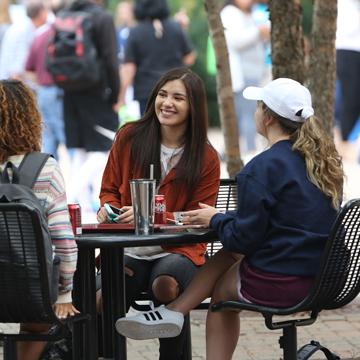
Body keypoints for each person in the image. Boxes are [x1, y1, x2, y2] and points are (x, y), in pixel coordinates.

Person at [115, 78, 344, 360]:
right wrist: (222, 218)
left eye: (258, 107)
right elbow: (286, 218)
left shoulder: (261, 167)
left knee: (223, 294)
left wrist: (214, 220)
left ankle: (178, 316)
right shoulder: (319, 162)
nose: (255, 113)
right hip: (327, 277)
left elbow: (243, 239)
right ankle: (173, 313)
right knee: (232, 254)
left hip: (287, 280)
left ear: (268, 117)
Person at [97, 67, 220, 359]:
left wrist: (150, 216)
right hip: (129, 248)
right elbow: (108, 191)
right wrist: (109, 210)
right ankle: (106, 354)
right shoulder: (129, 137)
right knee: (103, 297)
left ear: (193, 107)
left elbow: (198, 217)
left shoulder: (205, 156)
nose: (167, 103)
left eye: (178, 98)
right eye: (163, 95)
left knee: (166, 285)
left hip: (179, 250)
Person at [0, 79, 79, 360]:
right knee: (43, 309)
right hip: (29, 294)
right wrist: (65, 294)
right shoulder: (44, 168)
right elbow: (65, 245)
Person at [63, 0, 120, 218]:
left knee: (79, 148)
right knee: (103, 148)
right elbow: (111, 59)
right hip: (96, 91)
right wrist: (115, 94)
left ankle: (82, 207)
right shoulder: (101, 17)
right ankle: (68, 198)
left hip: (69, 90)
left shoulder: (66, 15)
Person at [119, 0, 196, 115]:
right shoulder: (176, 28)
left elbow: (129, 69)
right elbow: (189, 58)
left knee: (150, 131)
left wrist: (121, 96)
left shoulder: (135, 32)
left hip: (147, 93)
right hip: (175, 89)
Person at [221, 0, 270, 154]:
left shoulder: (249, 12)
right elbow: (235, 40)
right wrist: (258, 33)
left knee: (244, 114)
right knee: (248, 115)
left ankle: (235, 151)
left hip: (253, 72)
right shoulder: (230, 12)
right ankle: (250, 150)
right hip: (242, 74)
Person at [25, 0, 66, 160]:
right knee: (66, 135)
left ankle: (49, 176)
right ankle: (74, 178)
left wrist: (41, 79)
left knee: (48, 137)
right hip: (61, 89)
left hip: (44, 91)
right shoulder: (64, 33)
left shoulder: (39, 36)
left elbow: (28, 68)